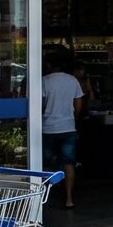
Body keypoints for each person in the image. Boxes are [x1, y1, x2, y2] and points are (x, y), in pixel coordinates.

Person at [43, 54, 85, 208]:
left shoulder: (45, 81)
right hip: (68, 127)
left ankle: (46, 195)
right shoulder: (72, 80)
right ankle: (69, 198)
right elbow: (79, 102)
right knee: (69, 162)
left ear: (48, 65)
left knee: (46, 161)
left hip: (48, 127)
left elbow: (40, 103)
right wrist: (74, 117)